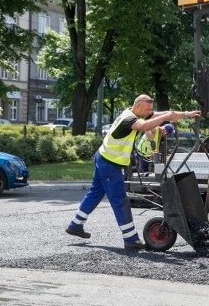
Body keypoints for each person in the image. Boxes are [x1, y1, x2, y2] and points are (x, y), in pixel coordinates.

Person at [66, 95, 201, 250]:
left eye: (151, 109)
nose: (150, 112)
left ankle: (75, 225)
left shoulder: (136, 113)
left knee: (95, 192)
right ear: (137, 106)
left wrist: (185, 114)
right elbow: (144, 126)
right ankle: (131, 239)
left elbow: (157, 115)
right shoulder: (129, 119)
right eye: (147, 109)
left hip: (103, 157)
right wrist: (167, 116)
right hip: (110, 164)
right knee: (120, 200)